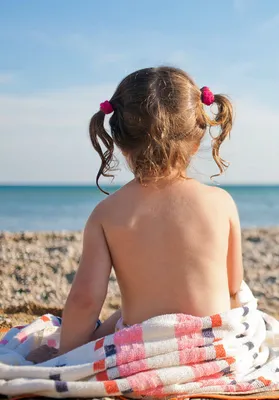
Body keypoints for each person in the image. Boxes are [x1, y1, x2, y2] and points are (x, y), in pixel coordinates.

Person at [27, 66, 242, 362]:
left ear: (119, 142)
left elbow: (85, 301)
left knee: (123, 317)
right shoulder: (221, 201)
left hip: (144, 349)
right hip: (215, 348)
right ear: (197, 139)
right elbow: (233, 286)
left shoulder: (106, 213)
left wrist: (65, 357)